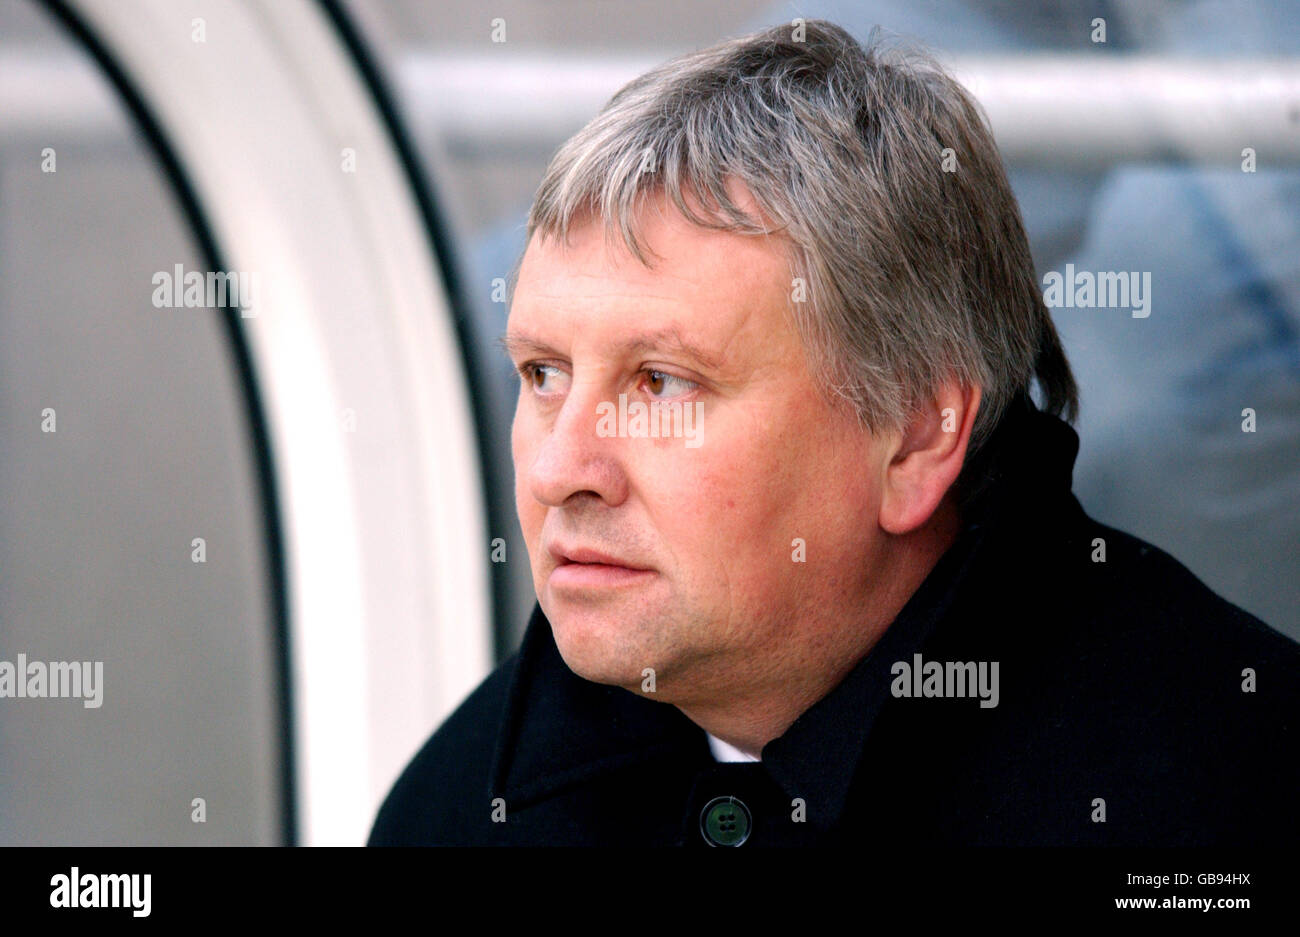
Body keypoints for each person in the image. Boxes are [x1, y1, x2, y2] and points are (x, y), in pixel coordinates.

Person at [369, 20, 1300, 846]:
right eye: (543, 374)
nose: (562, 468)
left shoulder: (1220, 804)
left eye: (660, 383)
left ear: (915, 433)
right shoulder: (457, 806)